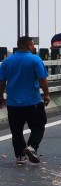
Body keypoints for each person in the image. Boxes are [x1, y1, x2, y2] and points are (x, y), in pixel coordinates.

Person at [0, 36, 51, 166]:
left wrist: (0, 96)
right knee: (39, 125)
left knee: (16, 131)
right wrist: (46, 94)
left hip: (13, 104)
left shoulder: (6, 61)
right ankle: (32, 147)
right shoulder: (35, 59)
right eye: (33, 45)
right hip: (32, 102)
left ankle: (20, 156)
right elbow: (42, 79)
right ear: (28, 45)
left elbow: (1, 81)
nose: (34, 48)